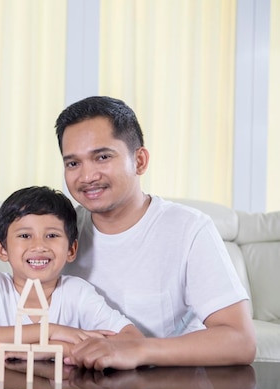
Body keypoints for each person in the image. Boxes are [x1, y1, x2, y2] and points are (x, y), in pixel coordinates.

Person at [54, 95, 256, 370]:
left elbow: (240, 341)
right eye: (73, 163)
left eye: (102, 157)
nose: (87, 176)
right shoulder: (58, 232)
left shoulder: (189, 229)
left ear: (139, 161)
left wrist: (137, 349)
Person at [0, 186, 142, 360]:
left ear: (71, 249)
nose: (39, 246)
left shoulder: (77, 292)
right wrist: (49, 331)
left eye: (52, 236)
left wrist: (53, 348)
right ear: (2, 249)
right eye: (25, 236)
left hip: (67, 387)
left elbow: (132, 341)